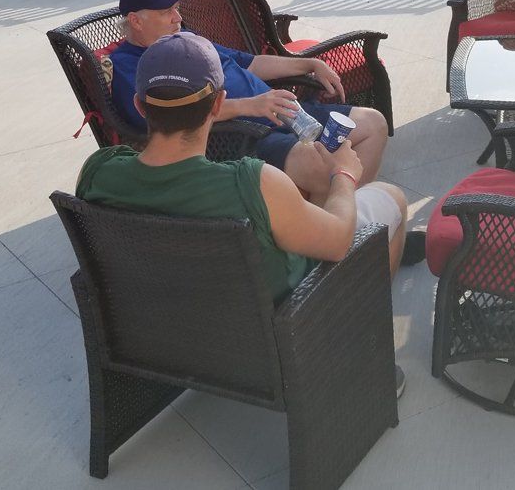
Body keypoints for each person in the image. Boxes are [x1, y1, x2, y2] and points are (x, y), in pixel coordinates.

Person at [77, 31, 408, 396]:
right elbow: (337, 242)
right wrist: (343, 175)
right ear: (219, 105)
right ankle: (360, 357)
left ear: (141, 106)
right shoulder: (254, 183)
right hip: (280, 329)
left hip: (166, 333)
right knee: (390, 198)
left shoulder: (98, 172)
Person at [110, 0, 389, 205]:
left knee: (373, 124)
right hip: (245, 136)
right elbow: (163, 118)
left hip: (283, 112)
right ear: (136, 21)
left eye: (176, 8)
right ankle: (339, 236)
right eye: (166, 11)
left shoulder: (187, 38)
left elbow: (250, 62)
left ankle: (342, 226)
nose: (177, 18)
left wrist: (309, 63)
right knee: (328, 170)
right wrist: (251, 106)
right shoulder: (130, 65)